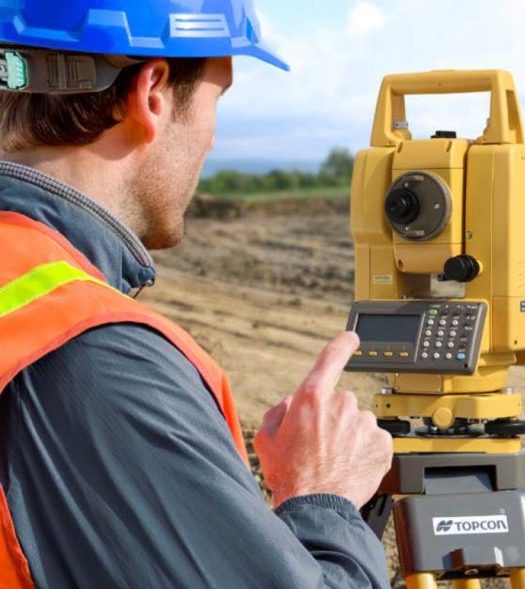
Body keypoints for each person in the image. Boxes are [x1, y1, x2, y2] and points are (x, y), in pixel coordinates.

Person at [0, 1, 394, 588]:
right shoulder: (97, 356)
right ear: (152, 93)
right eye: (218, 98)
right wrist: (323, 493)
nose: (212, 142)